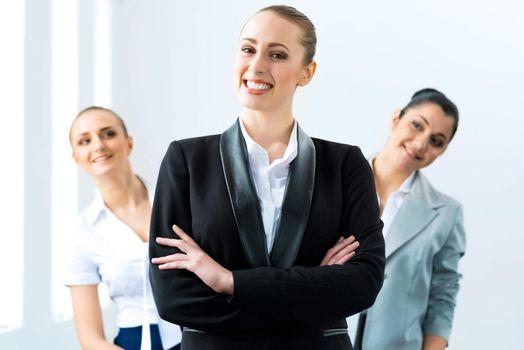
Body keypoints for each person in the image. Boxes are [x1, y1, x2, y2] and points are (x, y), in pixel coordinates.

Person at [149, 5, 385, 350]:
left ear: (307, 72)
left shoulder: (344, 164)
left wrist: (227, 281)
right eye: (248, 49)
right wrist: (312, 295)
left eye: (277, 54)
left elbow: (363, 284)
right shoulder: (187, 161)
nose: (257, 66)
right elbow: (174, 299)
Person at [353, 89, 466, 350]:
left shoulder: (447, 213)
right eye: (417, 125)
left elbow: (443, 295)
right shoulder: (336, 182)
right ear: (396, 119)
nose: (421, 144)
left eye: (436, 141)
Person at [63, 106, 181, 350]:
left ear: (129, 143)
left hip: (196, 335)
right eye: (85, 141)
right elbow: (90, 339)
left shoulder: (178, 201)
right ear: (76, 157)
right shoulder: (81, 232)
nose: (98, 145)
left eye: (108, 134)